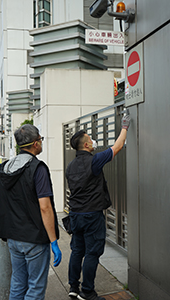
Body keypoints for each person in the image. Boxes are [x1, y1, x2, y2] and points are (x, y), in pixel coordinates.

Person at [0, 124, 62, 300]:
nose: (41, 142)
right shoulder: (38, 168)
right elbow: (45, 207)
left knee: (18, 283)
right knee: (35, 287)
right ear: (35, 143)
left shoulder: (6, 168)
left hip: (12, 238)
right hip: (34, 238)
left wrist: (11, 208)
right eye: (41, 140)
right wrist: (54, 242)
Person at [66, 114, 131, 300]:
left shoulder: (70, 166)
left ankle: (73, 287)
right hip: (91, 215)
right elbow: (117, 147)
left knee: (77, 251)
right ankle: (87, 292)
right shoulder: (93, 161)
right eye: (90, 139)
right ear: (86, 145)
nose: (93, 141)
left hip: (75, 215)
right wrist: (125, 126)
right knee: (92, 252)